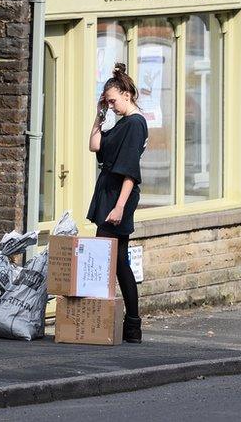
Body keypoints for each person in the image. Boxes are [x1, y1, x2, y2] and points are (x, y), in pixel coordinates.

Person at [87, 63, 148, 344]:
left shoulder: (135, 124)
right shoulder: (121, 122)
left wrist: (120, 206)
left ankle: (100, 320)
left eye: (113, 101)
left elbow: (129, 171)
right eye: (107, 102)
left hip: (119, 196)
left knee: (105, 257)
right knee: (119, 261)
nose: (111, 106)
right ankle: (131, 325)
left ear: (127, 94)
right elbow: (95, 145)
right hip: (108, 192)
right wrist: (99, 115)